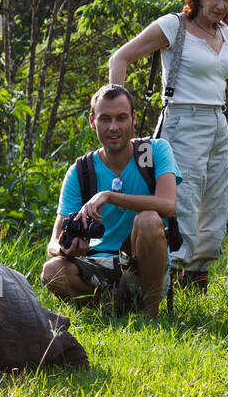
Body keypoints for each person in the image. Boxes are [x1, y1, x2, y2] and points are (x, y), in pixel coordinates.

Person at [109, 0, 228, 293]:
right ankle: (159, 286)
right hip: (182, 122)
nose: (220, 4)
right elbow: (120, 58)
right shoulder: (174, 25)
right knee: (182, 204)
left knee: (216, 205)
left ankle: (196, 283)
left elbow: (217, 84)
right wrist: (117, 112)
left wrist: (226, 139)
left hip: (217, 123)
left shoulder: (224, 31)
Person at [40, 84, 180, 317]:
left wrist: (109, 196)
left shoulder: (155, 151)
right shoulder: (81, 170)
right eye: (105, 119)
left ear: (133, 119)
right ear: (92, 121)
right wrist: (67, 250)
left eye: (121, 118)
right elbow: (53, 244)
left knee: (147, 220)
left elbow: (168, 205)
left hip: (144, 267)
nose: (113, 127)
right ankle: (111, 310)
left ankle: (150, 315)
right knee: (52, 270)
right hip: (98, 267)